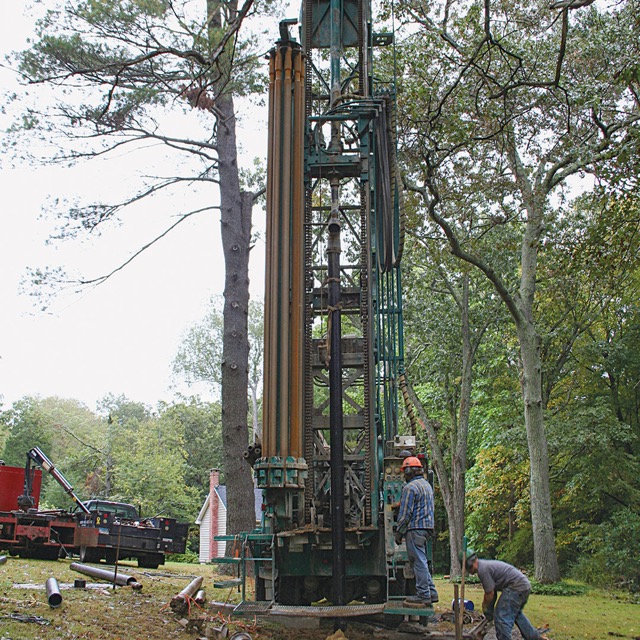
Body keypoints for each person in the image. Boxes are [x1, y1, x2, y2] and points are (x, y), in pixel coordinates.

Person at [465, 550, 550, 640]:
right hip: (523, 585)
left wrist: (486, 608)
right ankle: (534, 638)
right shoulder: (484, 566)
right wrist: (489, 611)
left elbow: (489, 594)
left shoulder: (483, 570)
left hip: (516, 586)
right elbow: (492, 592)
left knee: (501, 616)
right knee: (516, 614)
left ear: (469, 565)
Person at [394, 456, 438, 606]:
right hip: (427, 528)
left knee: (417, 561)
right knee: (423, 560)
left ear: (409, 471)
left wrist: (399, 532)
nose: (404, 475)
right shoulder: (426, 485)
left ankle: (423, 595)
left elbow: (406, 513)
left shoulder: (410, 488)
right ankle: (431, 592)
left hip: (415, 529)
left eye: (405, 472)